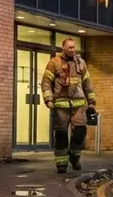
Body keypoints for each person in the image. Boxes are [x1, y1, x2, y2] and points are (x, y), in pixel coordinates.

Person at [40, 38, 96, 173]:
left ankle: (74, 157)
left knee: (80, 132)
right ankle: (61, 164)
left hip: (78, 105)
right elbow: (46, 83)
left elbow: (87, 84)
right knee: (61, 134)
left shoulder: (81, 63)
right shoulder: (54, 63)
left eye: (73, 47)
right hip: (60, 105)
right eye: (69, 47)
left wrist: (92, 102)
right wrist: (48, 100)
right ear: (63, 48)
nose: (72, 49)